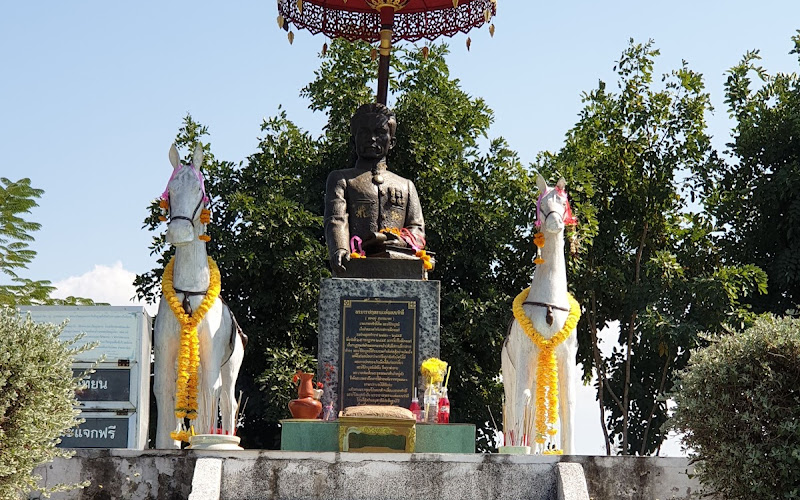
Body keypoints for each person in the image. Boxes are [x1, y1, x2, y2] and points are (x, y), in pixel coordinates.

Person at [324, 103, 426, 276]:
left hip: (398, 266)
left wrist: (400, 241)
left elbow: (417, 228)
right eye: (364, 132)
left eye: (379, 132)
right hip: (357, 266)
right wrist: (340, 249)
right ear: (353, 140)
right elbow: (336, 219)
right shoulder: (342, 179)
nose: (372, 139)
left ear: (392, 142)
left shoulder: (406, 185)